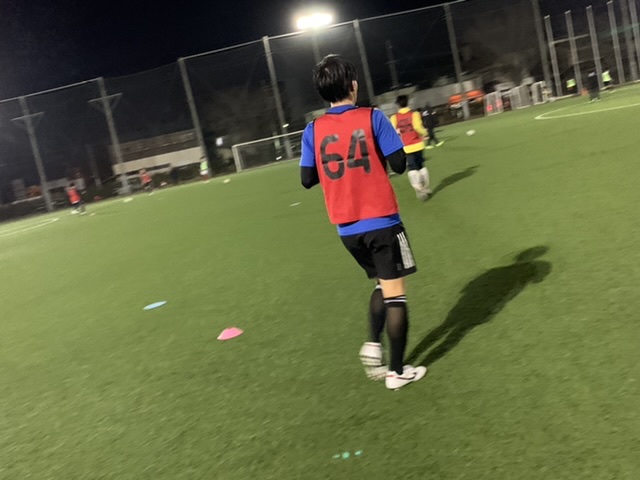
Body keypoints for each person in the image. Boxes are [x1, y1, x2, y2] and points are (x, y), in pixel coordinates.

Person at [300, 55, 427, 391]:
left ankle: (373, 342)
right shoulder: (372, 117)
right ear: (353, 85)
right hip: (382, 220)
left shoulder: (313, 129)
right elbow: (399, 164)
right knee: (396, 296)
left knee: (381, 285)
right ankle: (396, 372)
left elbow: (307, 179)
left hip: (347, 229)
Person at [390, 95, 431, 201]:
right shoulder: (414, 114)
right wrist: (425, 133)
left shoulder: (394, 117)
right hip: (418, 145)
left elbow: (392, 132)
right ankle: (426, 187)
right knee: (421, 166)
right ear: (407, 102)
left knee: (412, 168)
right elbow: (417, 127)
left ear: (398, 105)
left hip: (406, 147)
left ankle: (419, 189)